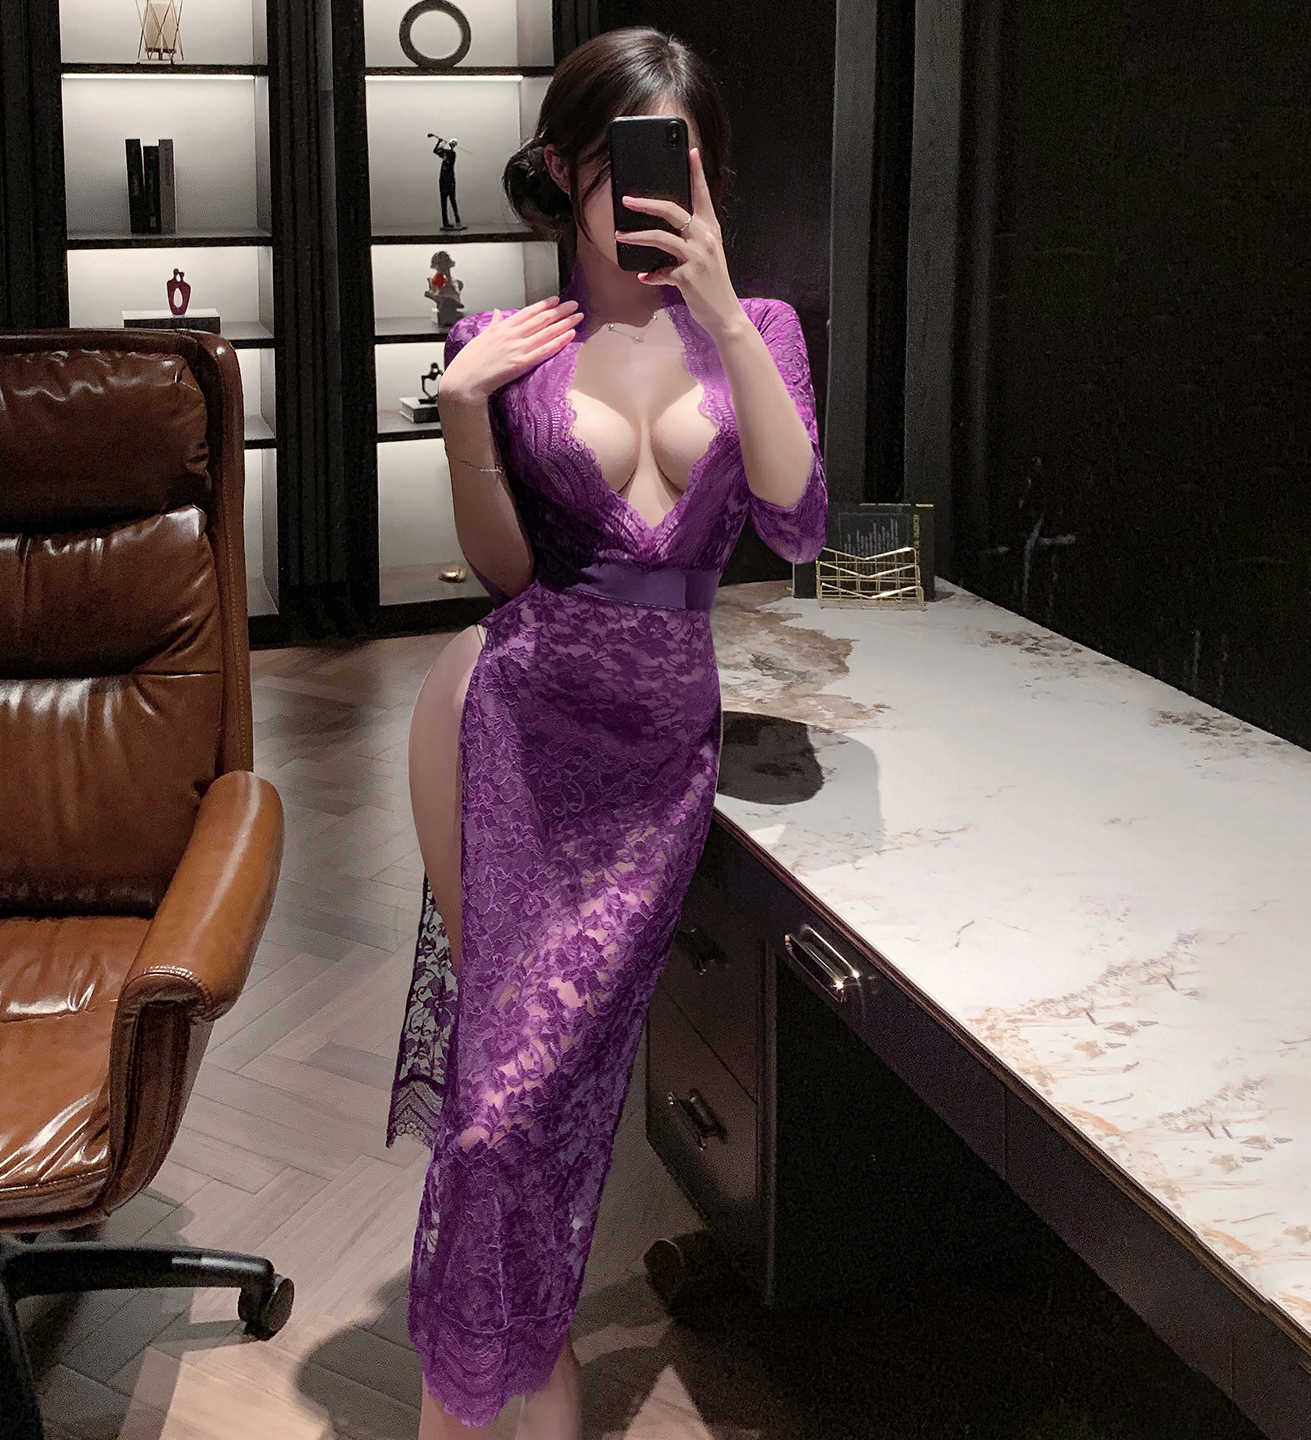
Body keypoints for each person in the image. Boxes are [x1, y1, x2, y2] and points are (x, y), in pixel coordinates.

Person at [386, 26, 828, 1437]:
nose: (648, 195)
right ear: (565, 169)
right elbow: (508, 573)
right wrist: (463, 416)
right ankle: (503, 1380)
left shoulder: (760, 332)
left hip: (651, 768)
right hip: (519, 734)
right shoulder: (503, 346)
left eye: (679, 166)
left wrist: (722, 306)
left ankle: (500, 1370)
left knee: (539, 1103)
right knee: (496, 1112)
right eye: (623, 165)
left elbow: (796, 521)